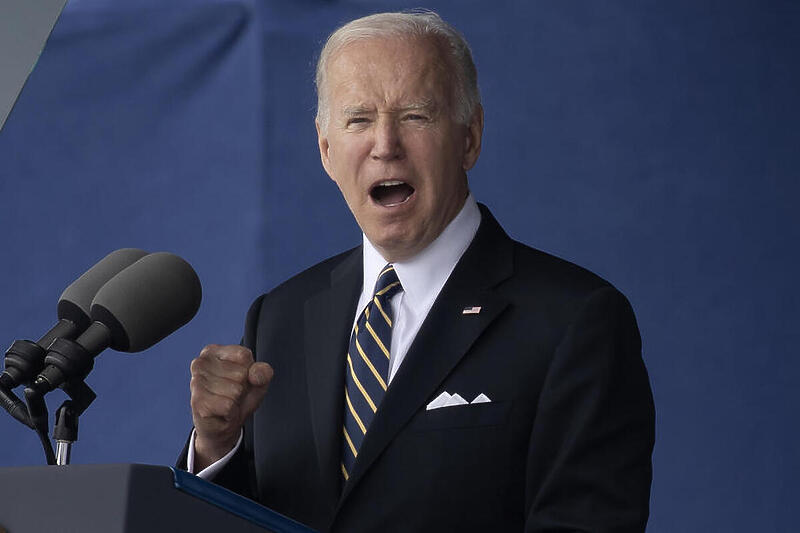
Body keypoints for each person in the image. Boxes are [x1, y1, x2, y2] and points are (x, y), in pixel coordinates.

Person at [179, 10, 654, 533]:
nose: (385, 144)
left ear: (469, 137)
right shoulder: (280, 318)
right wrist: (216, 447)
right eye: (359, 119)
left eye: (415, 116)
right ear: (326, 150)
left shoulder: (576, 320)